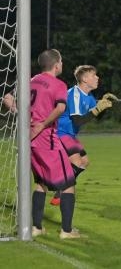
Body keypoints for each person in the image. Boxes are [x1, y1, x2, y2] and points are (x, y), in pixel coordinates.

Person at [49, 65, 117, 206]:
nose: (97, 78)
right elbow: (78, 119)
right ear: (85, 79)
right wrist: (98, 108)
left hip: (70, 134)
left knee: (84, 162)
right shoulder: (74, 94)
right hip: (60, 132)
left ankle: (60, 186)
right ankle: (60, 188)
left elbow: (95, 115)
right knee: (77, 162)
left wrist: (104, 104)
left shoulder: (89, 96)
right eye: (94, 75)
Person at [29, 49, 76, 239]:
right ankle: (67, 231)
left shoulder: (31, 80)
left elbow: (8, 98)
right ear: (56, 64)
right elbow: (61, 107)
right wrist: (42, 124)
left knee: (41, 182)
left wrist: (27, 121)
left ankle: (36, 227)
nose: (62, 64)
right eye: (62, 61)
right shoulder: (58, 84)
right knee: (69, 183)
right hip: (47, 140)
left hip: (30, 140)